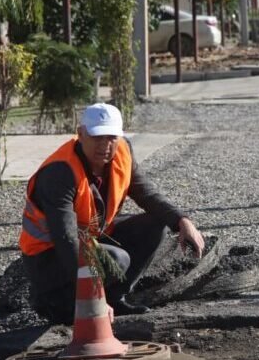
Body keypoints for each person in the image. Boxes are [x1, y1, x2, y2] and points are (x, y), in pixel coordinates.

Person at [19, 103, 205, 324]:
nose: (105, 145)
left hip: (89, 240)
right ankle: (65, 307)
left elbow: (146, 193)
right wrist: (93, 299)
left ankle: (115, 299)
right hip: (48, 260)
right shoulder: (59, 172)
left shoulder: (122, 152)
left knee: (156, 223)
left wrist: (182, 221)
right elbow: (66, 240)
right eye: (97, 137)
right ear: (80, 134)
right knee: (115, 259)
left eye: (111, 137)